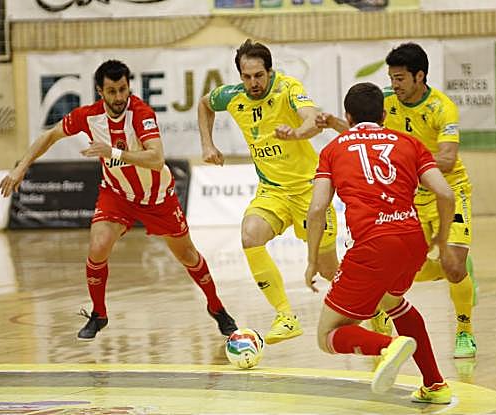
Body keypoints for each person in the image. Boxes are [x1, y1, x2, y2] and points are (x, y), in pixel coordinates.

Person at [0, 59, 238, 341]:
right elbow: (50, 135)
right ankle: (99, 314)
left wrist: (112, 152)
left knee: (187, 255)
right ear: (100, 91)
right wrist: (21, 167)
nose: (119, 97)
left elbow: (156, 158)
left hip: (157, 198)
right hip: (117, 195)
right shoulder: (89, 116)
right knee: (98, 246)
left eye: (123, 89)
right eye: (112, 91)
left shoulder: (141, 113)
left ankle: (216, 306)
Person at [316, 42, 477, 360]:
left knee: (455, 267)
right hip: (409, 196)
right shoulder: (387, 102)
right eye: (391, 78)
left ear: (420, 76)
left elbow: (447, 159)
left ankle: (464, 330)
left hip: (447, 191)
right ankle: (391, 317)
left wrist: (406, 156)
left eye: (400, 78)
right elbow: (365, 135)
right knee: (398, 268)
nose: (394, 85)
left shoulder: (442, 108)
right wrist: (336, 124)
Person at [306, 82, 458, 403]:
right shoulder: (410, 143)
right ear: (384, 115)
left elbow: (317, 209)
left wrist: (311, 261)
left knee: (327, 335)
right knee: (393, 302)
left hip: (373, 246)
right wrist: (442, 240)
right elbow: (445, 193)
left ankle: (388, 346)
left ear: (348, 117)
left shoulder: (332, 150)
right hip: (412, 242)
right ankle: (435, 384)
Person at [197, 39, 338, 345]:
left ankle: (376, 309)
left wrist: (296, 133)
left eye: (259, 76)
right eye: (247, 77)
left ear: (270, 72)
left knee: (328, 269)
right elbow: (205, 104)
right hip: (272, 191)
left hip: (309, 190)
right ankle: (285, 316)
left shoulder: (288, 88)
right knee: (250, 236)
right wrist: (207, 144)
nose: (253, 83)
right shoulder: (232, 96)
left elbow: (314, 120)